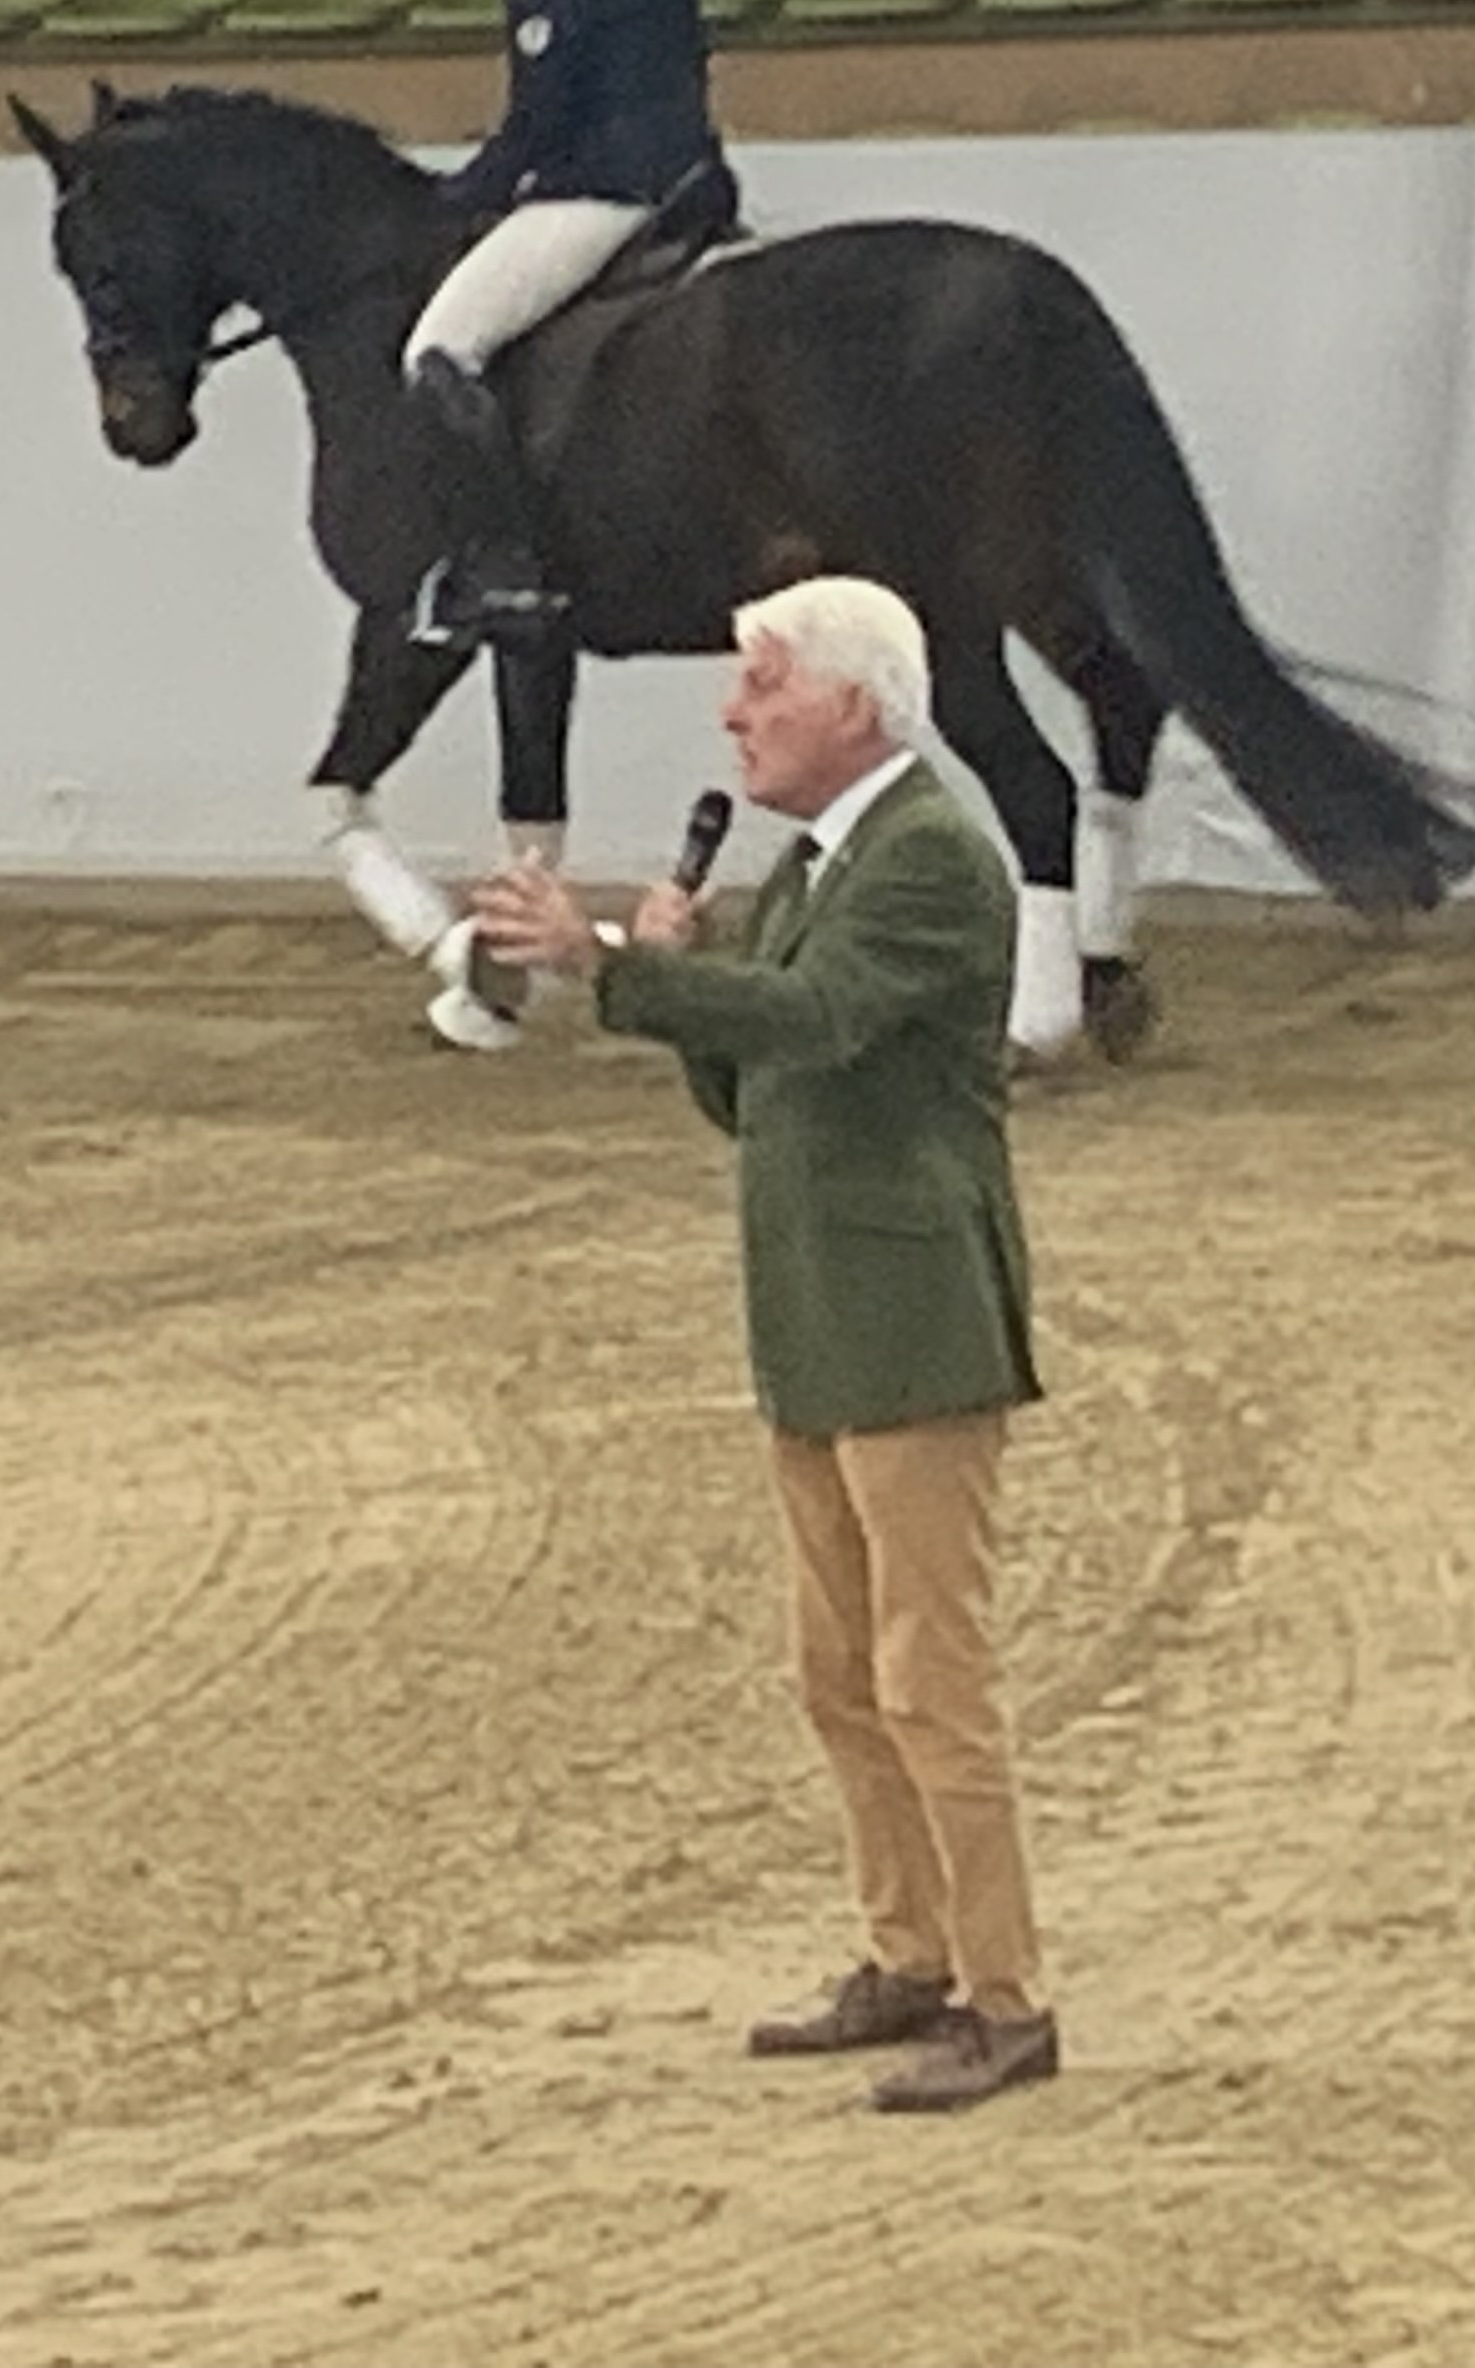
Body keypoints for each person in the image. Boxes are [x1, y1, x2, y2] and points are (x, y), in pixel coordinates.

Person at [471, 575, 1056, 2116]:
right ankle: (911, 1954)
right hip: (826, 1313)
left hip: (910, 1321)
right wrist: (672, 990)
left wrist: (624, 968)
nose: (735, 713)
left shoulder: (929, 859)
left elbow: (818, 1022)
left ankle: (1005, 1994)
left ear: (854, 704)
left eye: (764, 685)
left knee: (931, 1677)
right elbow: (756, 1090)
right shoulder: (827, 863)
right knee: (841, 1673)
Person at [405, 0, 730, 650]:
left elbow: (539, 127)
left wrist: (453, 196)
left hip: (603, 195)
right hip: (691, 183)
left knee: (440, 351)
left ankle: (506, 564)